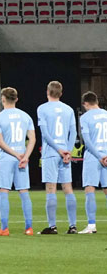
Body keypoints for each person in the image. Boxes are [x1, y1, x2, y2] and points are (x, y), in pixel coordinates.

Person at [0, 87, 36, 236]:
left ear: (3, 99)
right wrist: (25, 156)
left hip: (7, 157)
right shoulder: (26, 116)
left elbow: (0, 141)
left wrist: (15, 154)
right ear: (16, 99)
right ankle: (29, 228)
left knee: (4, 191)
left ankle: (4, 228)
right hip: (22, 157)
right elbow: (32, 139)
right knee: (24, 192)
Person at [37, 81, 78, 234]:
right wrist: (67, 151)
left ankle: (52, 226)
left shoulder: (42, 108)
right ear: (61, 93)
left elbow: (45, 134)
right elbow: (73, 133)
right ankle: (72, 226)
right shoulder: (68, 109)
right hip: (65, 153)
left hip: (51, 152)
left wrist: (59, 150)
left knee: (51, 188)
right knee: (68, 188)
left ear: (47, 92)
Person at [78, 92, 107, 234]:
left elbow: (87, 141)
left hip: (94, 157)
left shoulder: (85, 117)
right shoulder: (106, 114)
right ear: (97, 102)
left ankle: (91, 225)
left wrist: (100, 156)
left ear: (85, 104)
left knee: (90, 189)